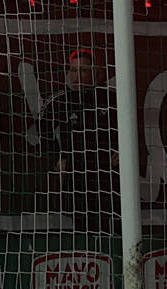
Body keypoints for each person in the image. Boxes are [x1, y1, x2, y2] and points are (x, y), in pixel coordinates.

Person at [35, 49, 115, 235]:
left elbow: (127, 128)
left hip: (107, 172)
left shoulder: (110, 99)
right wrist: (57, 157)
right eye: (74, 71)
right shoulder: (60, 101)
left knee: (107, 221)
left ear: (95, 73)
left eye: (83, 71)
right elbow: (42, 129)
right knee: (80, 225)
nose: (77, 77)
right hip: (76, 171)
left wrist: (120, 151)